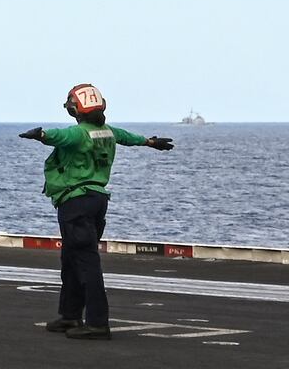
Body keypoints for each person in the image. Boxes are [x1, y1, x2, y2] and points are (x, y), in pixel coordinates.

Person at [18, 83, 174, 340]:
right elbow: (127, 137)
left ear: (74, 110)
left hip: (76, 202)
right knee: (71, 260)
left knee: (86, 262)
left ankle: (97, 323)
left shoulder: (79, 134)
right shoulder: (107, 132)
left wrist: (41, 134)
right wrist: (150, 142)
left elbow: (59, 136)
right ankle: (70, 315)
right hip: (96, 200)